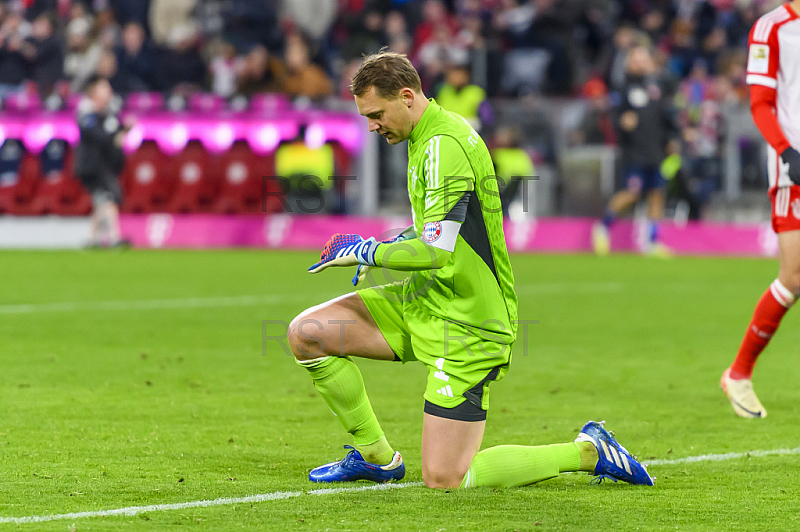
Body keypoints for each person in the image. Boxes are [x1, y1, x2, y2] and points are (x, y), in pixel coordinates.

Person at [287, 51, 654, 489]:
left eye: (376, 114)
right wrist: (386, 243)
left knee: (445, 478)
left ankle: (588, 450)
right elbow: (437, 229)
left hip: (468, 323)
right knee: (308, 333)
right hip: (426, 299)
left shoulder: (445, 146)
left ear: (406, 97)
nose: (372, 125)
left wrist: (368, 251)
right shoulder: (427, 137)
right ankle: (376, 459)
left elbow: (437, 250)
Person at [720, 1, 800, 419]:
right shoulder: (772, 28)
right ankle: (739, 373)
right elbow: (761, 102)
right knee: (794, 275)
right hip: (795, 169)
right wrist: (786, 151)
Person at [591, 44, 680, 256]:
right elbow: (611, 115)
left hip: (655, 150)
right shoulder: (622, 89)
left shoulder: (657, 87)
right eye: (636, 58)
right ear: (628, 63)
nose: (640, 62)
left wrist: (672, 137)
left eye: (643, 58)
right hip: (634, 151)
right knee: (632, 193)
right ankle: (602, 227)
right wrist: (621, 121)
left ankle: (652, 242)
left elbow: (665, 115)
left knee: (656, 195)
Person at [74, 77, 131, 248]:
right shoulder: (87, 114)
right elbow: (98, 137)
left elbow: (115, 136)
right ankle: (114, 237)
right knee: (109, 197)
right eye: (104, 88)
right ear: (94, 92)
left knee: (102, 199)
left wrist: (123, 131)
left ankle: (92, 239)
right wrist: (116, 135)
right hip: (91, 165)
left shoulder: (110, 115)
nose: (109, 91)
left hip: (105, 165)